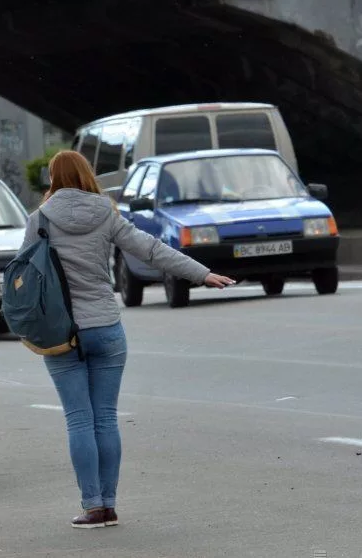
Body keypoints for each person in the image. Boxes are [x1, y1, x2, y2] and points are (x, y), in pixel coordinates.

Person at [21, 151, 235, 529]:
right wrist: (202, 274)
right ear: (88, 175)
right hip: (105, 326)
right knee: (105, 417)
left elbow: (24, 274)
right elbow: (152, 250)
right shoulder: (107, 214)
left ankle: (92, 506)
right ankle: (110, 505)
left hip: (61, 332)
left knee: (79, 420)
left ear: (52, 178)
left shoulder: (40, 220)